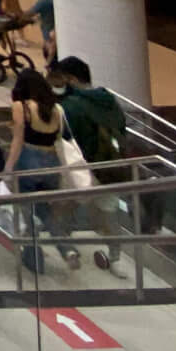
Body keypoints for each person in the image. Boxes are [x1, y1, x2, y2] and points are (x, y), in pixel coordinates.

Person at [51, 55, 128, 272]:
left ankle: (67, 248)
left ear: (72, 80)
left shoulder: (69, 106)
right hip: (112, 167)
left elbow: (63, 139)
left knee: (63, 206)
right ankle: (115, 258)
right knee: (108, 211)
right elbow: (122, 130)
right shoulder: (110, 100)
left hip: (82, 168)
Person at [6, 69, 67, 271]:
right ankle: (67, 249)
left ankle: (35, 259)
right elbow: (59, 140)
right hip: (52, 162)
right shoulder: (57, 110)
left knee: (27, 209)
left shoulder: (21, 107)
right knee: (45, 210)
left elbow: (17, 140)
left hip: (28, 161)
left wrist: (8, 169)